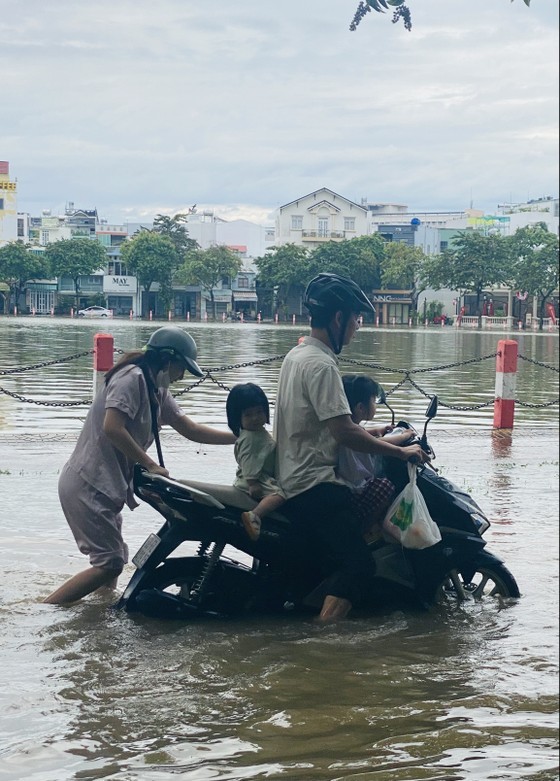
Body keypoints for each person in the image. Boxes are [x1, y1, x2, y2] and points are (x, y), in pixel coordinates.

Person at [274, 273, 430, 622]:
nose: (358, 327)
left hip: (291, 476)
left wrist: (375, 431)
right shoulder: (322, 364)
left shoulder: (296, 356)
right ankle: (321, 643)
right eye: (356, 319)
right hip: (315, 486)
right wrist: (400, 451)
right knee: (359, 564)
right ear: (338, 318)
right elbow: (344, 432)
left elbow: (322, 425)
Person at [44, 325, 236, 605]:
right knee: (109, 563)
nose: (181, 376)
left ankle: (98, 611)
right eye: (181, 368)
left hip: (105, 486)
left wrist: (240, 437)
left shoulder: (155, 388)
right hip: (88, 483)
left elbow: (189, 428)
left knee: (113, 558)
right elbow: (113, 427)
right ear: (167, 360)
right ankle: (45, 611)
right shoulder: (131, 378)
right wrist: (150, 463)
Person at [339, 374, 413, 543]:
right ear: (360, 408)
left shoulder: (344, 426)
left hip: (348, 483)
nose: (375, 405)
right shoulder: (351, 434)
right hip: (354, 488)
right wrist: (404, 437)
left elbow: (363, 433)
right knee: (384, 486)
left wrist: (380, 428)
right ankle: (365, 530)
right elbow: (378, 443)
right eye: (373, 401)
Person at [226, 383, 285, 541]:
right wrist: (253, 483)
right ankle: (254, 516)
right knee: (279, 495)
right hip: (254, 479)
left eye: (259, 412)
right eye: (248, 414)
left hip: (255, 477)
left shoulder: (254, 433)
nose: (255, 418)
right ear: (237, 418)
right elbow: (249, 460)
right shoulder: (252, 439)